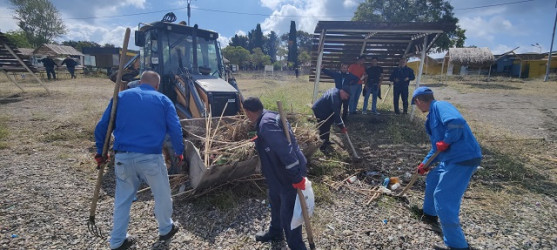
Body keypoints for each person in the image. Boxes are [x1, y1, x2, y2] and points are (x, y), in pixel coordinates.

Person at [94, 71, 184, 250]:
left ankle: (117, 241)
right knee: (162, 194)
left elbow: (103, 125)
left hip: (123, 156)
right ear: (156, 85)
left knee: (123, 199)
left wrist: (100, 152)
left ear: (139, 82)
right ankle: (166, 228)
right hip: (151, 157)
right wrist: (179, 151)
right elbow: (175, 128)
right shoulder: (163, 100)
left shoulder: (120, 97)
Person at [412, 87, 482, 250]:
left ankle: (457, 245)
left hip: (462, 158)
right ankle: (429, 215)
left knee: (443, 197)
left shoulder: (440, 106)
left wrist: (447, 141)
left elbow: (456, 122)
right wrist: (424, 164)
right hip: (449, 159)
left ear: (418, 101)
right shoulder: (431, 118)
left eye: (416, 104)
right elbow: (436, 148)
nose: (417, 107)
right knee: (433, 179)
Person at [243, 97, 308, 250]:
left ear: (249, 112)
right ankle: (276, 232)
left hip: (288, 172)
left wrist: (296, 176)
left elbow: (285, 150)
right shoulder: (268, 117)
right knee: (276, 202)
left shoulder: (266, 124)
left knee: (289, 213)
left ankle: (297, 246)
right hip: (276, 174)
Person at [311, 86, 350, 152]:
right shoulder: (335, 97)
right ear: (342, 91)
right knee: (324, 126)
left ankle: (326, 141)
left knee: (329, 123)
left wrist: (341, 124)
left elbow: (336, 112)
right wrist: (342, 127)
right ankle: (322, 146)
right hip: (319, 109)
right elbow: (336, 114)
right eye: (346, 96)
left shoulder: (337, 91)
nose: (346, 98)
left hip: (326, 108)